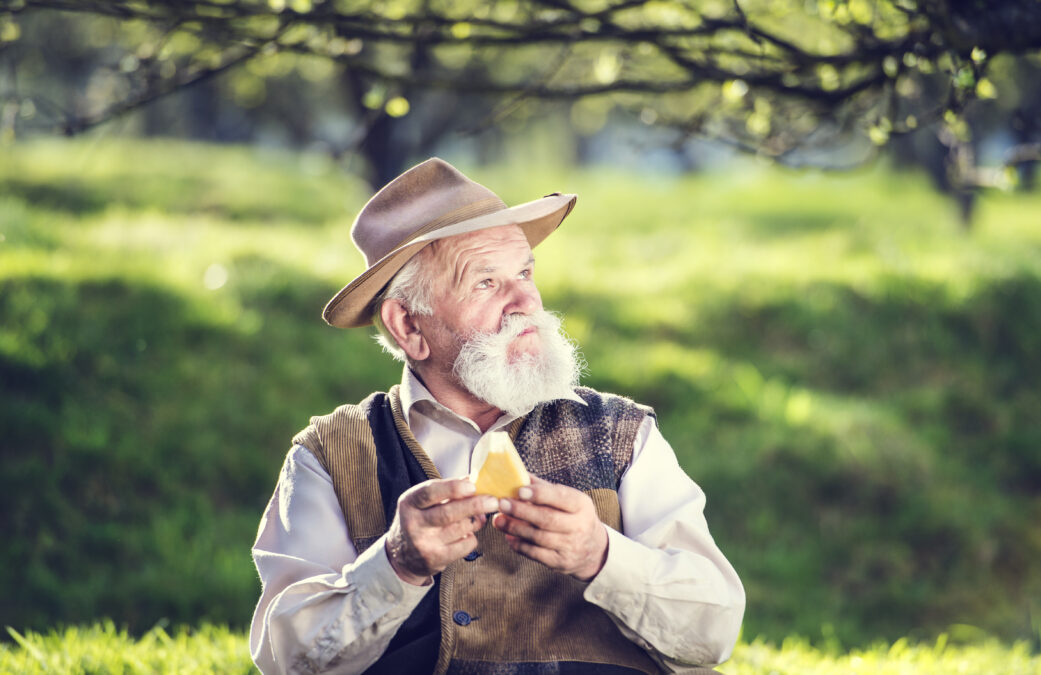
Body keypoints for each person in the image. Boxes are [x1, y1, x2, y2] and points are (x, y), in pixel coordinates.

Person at [249, 158, 745, 674]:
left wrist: (600, 555)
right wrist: (395, 563)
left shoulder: (622, 433)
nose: (526, 301)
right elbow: (287, 662)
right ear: (407, 326)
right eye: (486, 283)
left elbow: (714, 633)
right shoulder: (330, 453)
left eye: (525, 272)